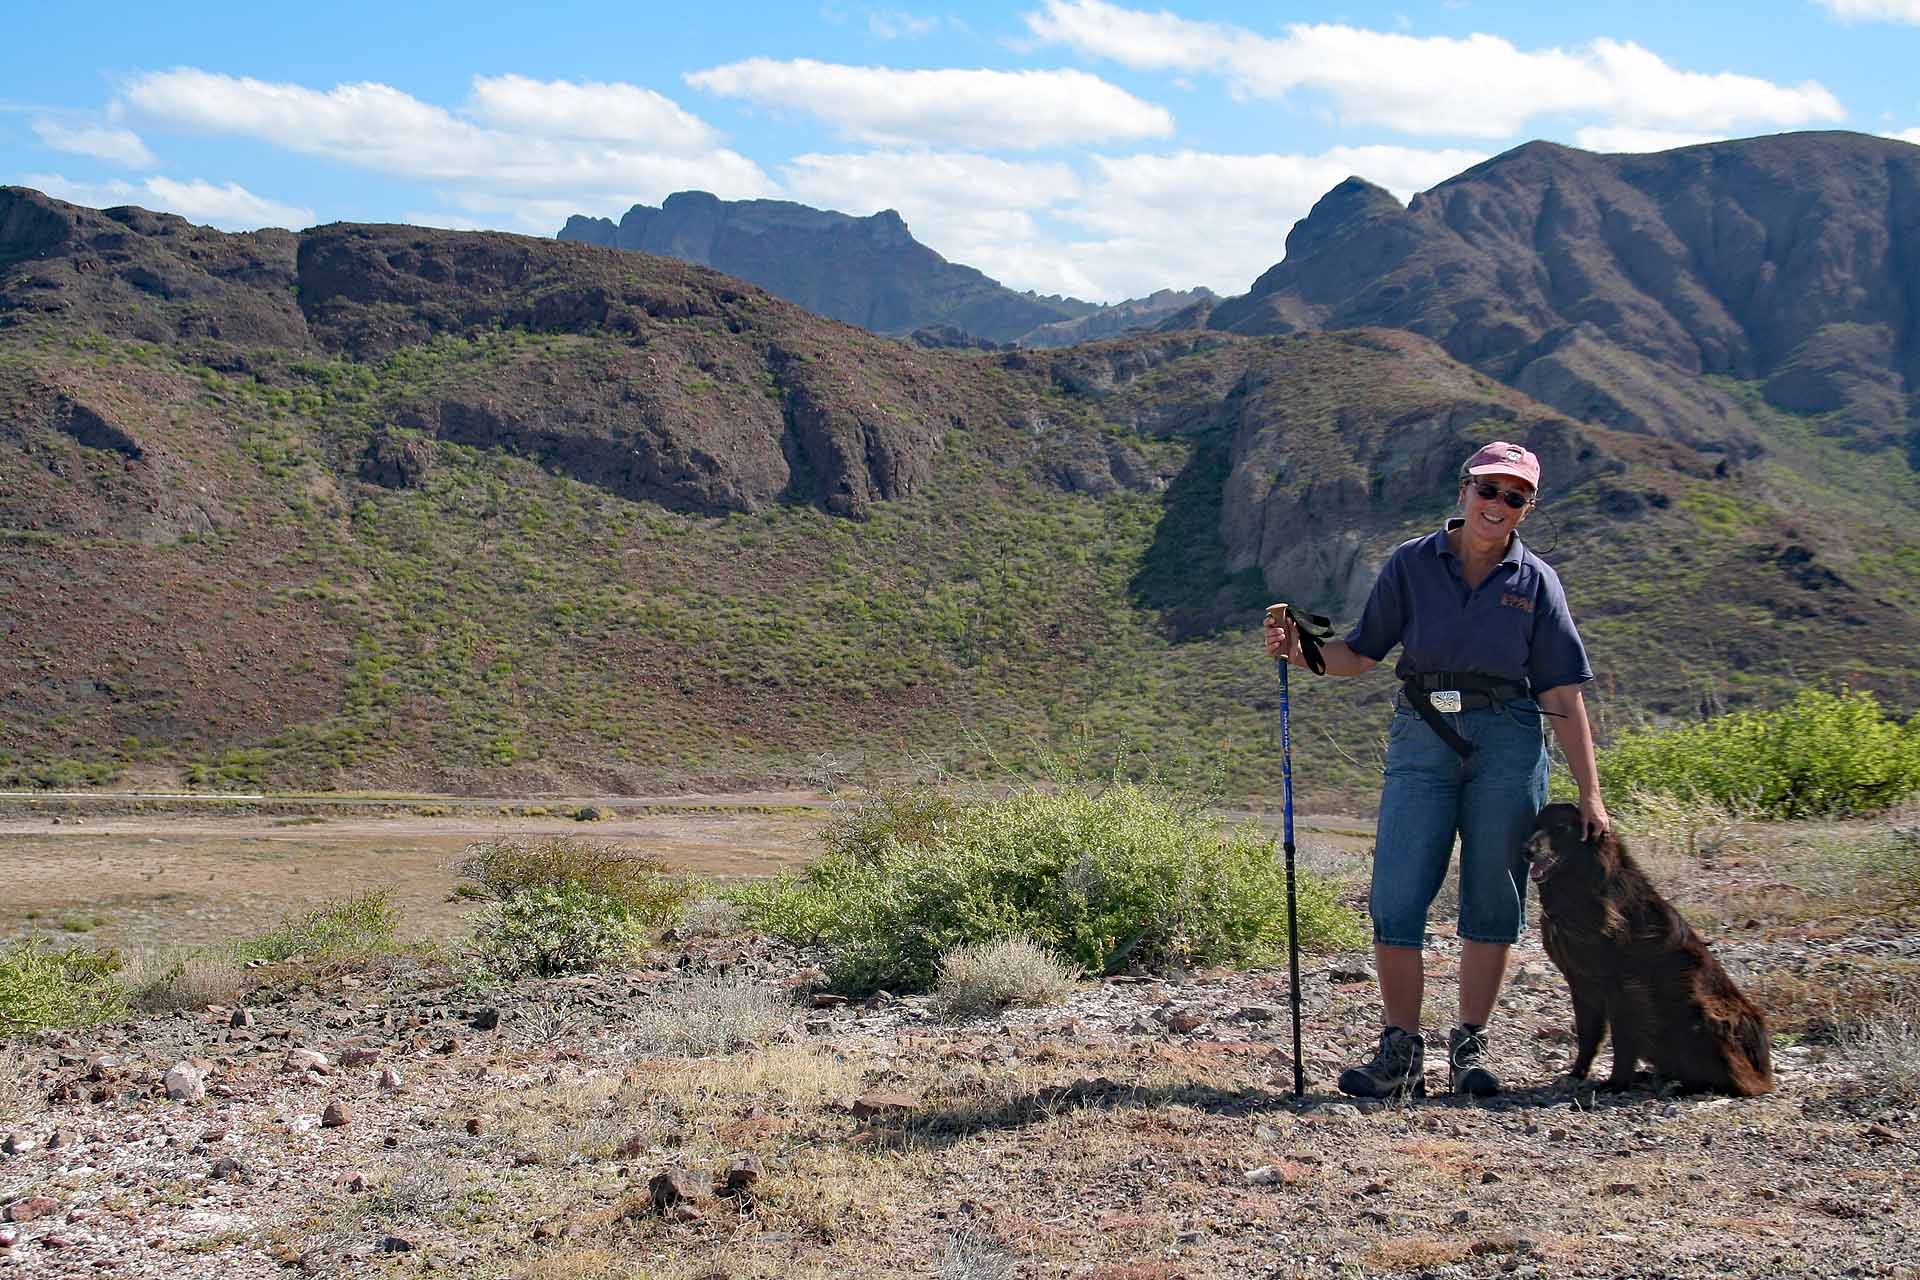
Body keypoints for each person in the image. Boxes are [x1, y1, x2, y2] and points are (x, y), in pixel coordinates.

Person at [1264, 441, 1609, 1098]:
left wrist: (1591, 793)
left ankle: (1470, 1048)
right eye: (1489, 490)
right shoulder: (1412, 564)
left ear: (1527, 508)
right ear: (1464, 490)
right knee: (1397, 896)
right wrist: (1299, 651)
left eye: (1515, 497)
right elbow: (1360, 654)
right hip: (1423, 734)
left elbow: (1562, 694)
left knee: (1493, 894)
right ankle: (1399, 1054)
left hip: (1509, 739)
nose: (1498, 506)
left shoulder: (1536, 582)